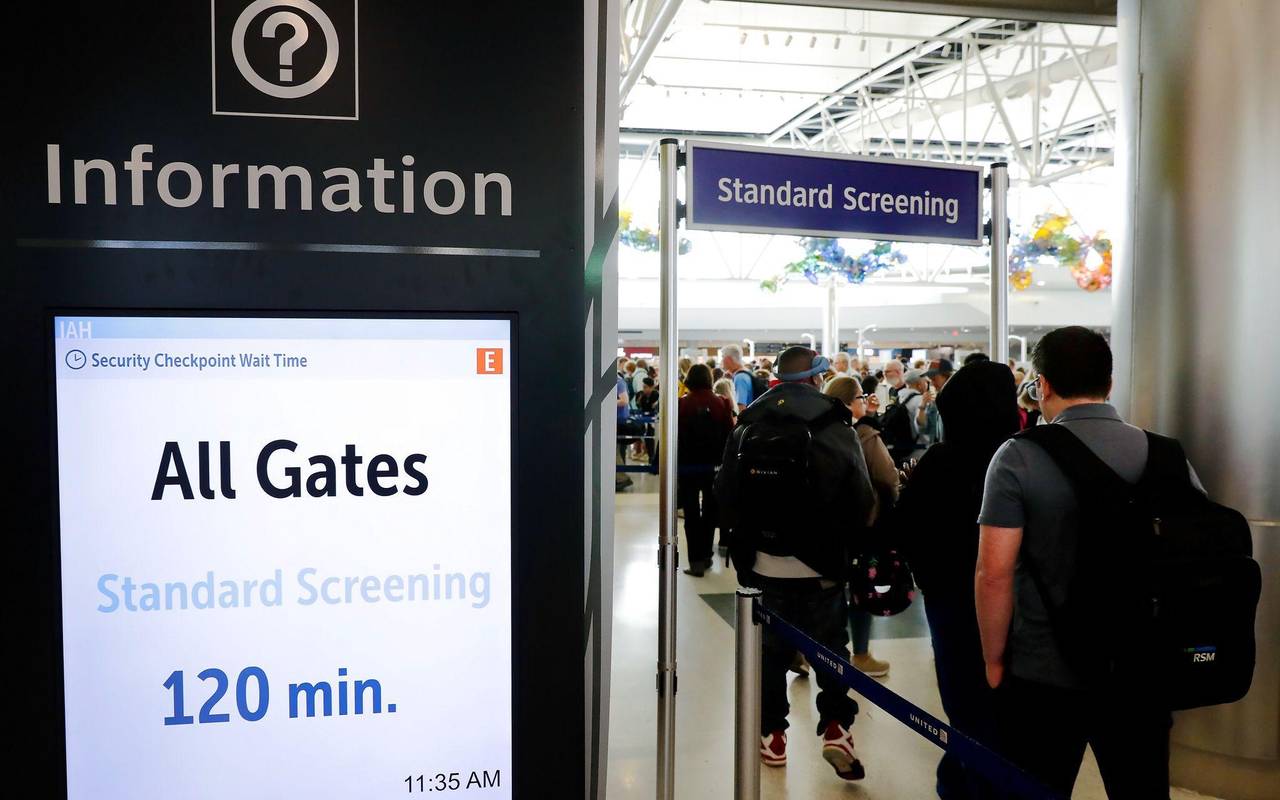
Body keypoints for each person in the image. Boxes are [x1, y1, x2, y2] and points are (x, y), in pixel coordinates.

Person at [976, 326, 1192, 798]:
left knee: (1036, 788)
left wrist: (993, 659)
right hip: (1143, 665)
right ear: (1109, 384)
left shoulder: (1018, 457)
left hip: (1044, 669)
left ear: (1043, 385)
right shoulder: (1167, 454)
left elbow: (994, 573)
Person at [715, 347, 876, 782]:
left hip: (763, 565)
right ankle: (837, 728)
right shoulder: (835, 425)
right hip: (821, 565)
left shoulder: (747, 424)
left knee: (769, 655)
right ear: (817, 379)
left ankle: (773, 735)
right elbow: (861, 497)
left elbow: (725, 493)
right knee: (831, 649)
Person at [897, 361, 1020, 800]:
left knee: (963, 699)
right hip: (1018, 605)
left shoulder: (941, 461)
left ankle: (962, 782)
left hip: (950, 602)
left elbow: (906, 531)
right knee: (1006, 708)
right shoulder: (1024, 457)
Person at [822, 376, 896, 678]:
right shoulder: (865, 435)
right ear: (850, 402)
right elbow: (888, 476)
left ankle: (806, 651)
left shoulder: (817, 431)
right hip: (863, 524)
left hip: (826, 525)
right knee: (860, 590)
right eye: (860, 398)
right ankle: (861, 654)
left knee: (825, 593)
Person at [677, 364, 734, 577]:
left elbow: (675, 436)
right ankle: (707, 555)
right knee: (711, 512)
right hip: (714, 468)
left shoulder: (682, 404)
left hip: (688, 468)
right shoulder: (722, 403)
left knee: (691, 515)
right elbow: (729, 435)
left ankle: (696, 562)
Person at [721, 343, 755, 411]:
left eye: (722, 357)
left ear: (728, 359)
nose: (721, 361)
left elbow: (741, 408)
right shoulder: (746, 372)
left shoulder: (740, 378)